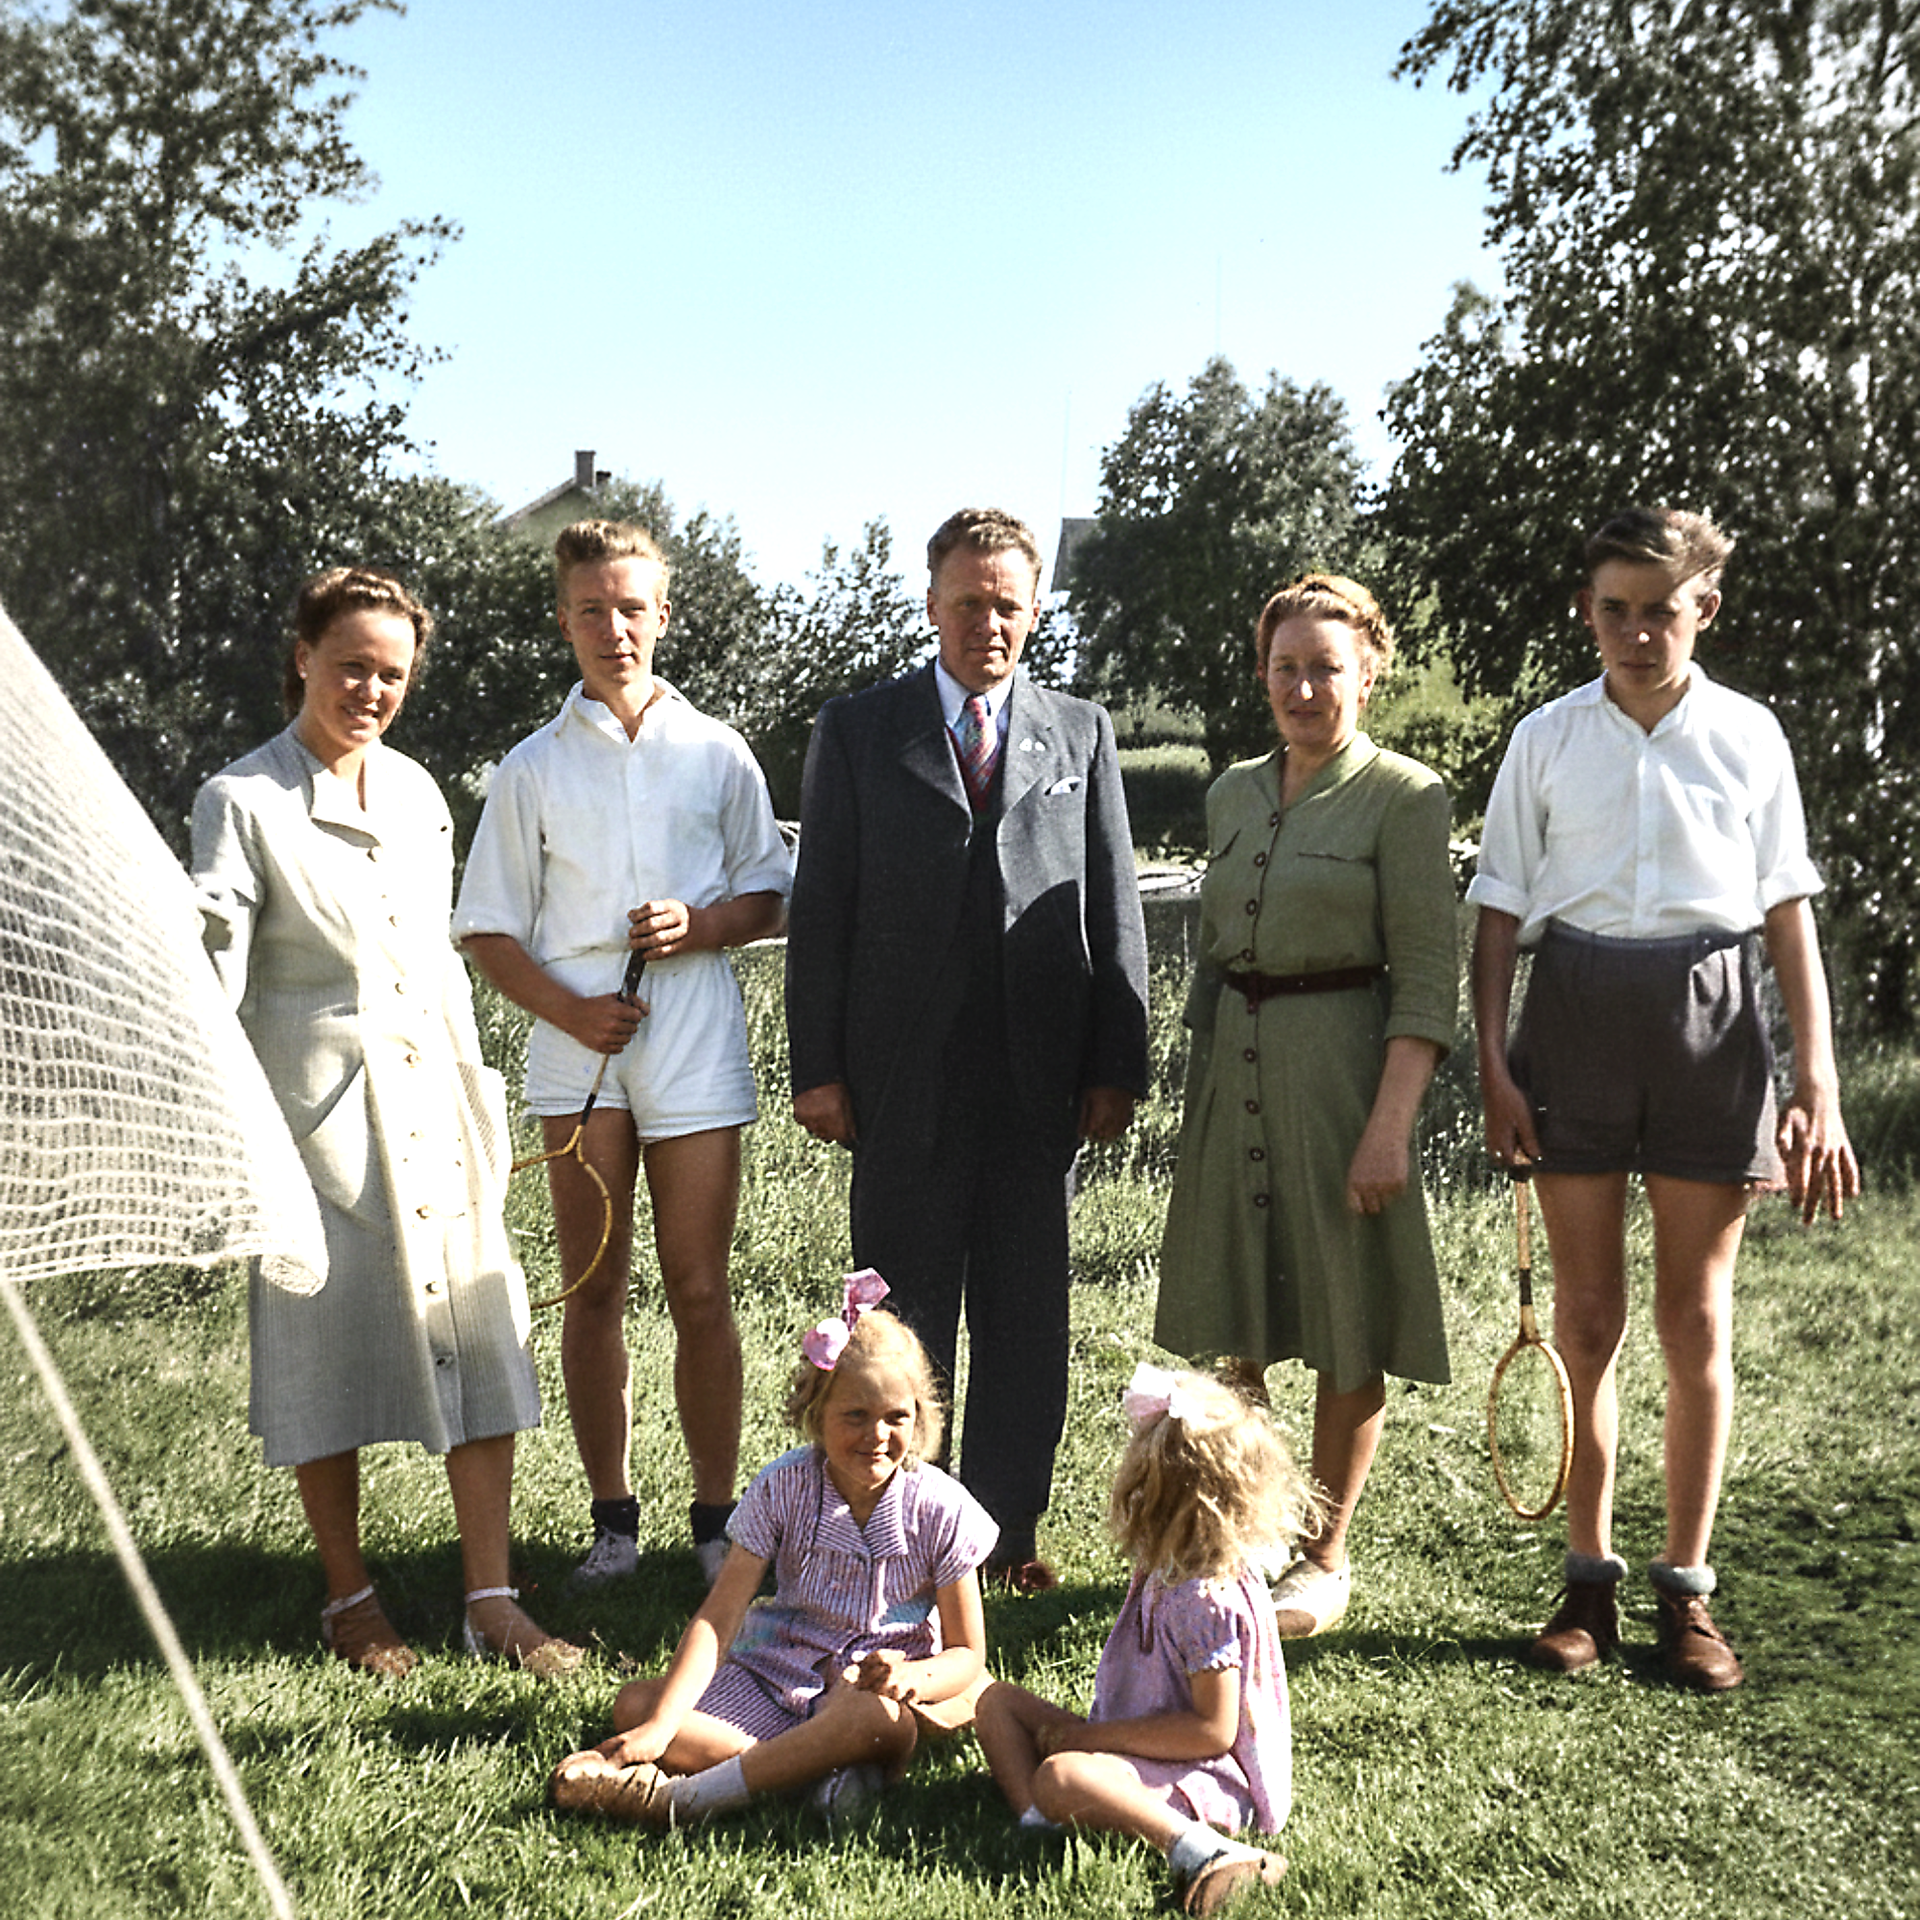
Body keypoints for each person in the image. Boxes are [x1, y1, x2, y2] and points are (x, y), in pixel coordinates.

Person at [1470, 506, 1859, 1692]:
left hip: (1711, 1021)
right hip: (1575, 1013)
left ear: (1705, 609)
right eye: (1615, 611)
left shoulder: (1748, 735)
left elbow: (1788, 908)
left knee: (1697, 1322)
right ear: (1588, 613)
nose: (1638, 634)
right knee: (1589, 1321)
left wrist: (1819, 1084)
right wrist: (1493, 1062)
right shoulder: (1546, 738)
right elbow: (1496, 908)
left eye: (1661, 610)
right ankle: (1588, 1579)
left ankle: (1687, 1593)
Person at [192, 567, 579, 1679]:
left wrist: (480, 1100)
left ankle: (492, 1596)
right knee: (330, 1352)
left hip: (438, 1106)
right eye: (352, 664)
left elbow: (447, 965)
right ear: (303, 655)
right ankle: (349, 1597)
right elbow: (216, 959)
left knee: (481, 1339)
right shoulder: (244, 800)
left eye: (393, 674)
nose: (371, 689)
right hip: (318, 1123)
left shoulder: (417, 794)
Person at [784, 506, 1149, 1591]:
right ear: (932, 602)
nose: (988, 622)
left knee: (1028, 1319)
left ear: (1035, 609)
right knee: (903, 1317)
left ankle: (1004, 1537)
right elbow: (825, 910)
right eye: (968, 602)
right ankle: (896, 1534)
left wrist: (1113, 1064)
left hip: (1038, 1082)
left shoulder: (1079, 730)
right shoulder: (860, 728)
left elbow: (1114, 900)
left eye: (1008, 604)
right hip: (902, 1079)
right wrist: (819, 1068)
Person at [455, 520, 790, 1589]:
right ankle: (613, 1519)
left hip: (692, 1031)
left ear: (663, 614)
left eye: (631, 607)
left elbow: (772, 895)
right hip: (579, 1046)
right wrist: (566, 1007)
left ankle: (713, 1516)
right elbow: (488, 929)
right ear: (564, 620)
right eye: (591, 609)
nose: (613, 628)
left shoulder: (717, 749)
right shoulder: (531, 767)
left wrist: (700, 926)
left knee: (699, 1286)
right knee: (593, 1287)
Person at [1154, 575, 1456, 1640]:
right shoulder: (1234, 790)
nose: (1304, 687)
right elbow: (1212, 947)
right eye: (1286, 666)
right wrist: (1184, 1090)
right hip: (1232, 1062)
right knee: (1235, 1316)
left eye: (1327, 667)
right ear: (1262, 673)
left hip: (1340, 1071)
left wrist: (1390, 1126)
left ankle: (1323, 1557)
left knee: (1345, 1316)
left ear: (1368, 672)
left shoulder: (1406, 797)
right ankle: (1250, 1529)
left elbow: (1426, 981)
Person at [548, 1272, 996, 1826]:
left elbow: (968, 1654)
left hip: (867, 1693)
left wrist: (916, 1679)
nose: (876, 1435)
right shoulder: (784, 1486)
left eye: (896, 1417)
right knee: (637, 1706)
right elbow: (720, 1616)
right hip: (773, 1674)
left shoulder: (941, 1508)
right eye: (854, 1415)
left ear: (920, 1418)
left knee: (873, 1720)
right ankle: (811, 1779)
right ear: (816, 1411)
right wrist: (662, 1724)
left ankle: (682, 1800)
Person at [974, 1364, 1314, 1916]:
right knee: (995, 1702)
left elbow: (1211, 1730)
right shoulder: (1173, 1569)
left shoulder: (1206, 1599)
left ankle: (1203, 1850)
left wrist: (1096, 1739)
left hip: (1204, 1774)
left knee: (1063, 1771)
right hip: (1139, 1746)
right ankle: (1041, 1821)